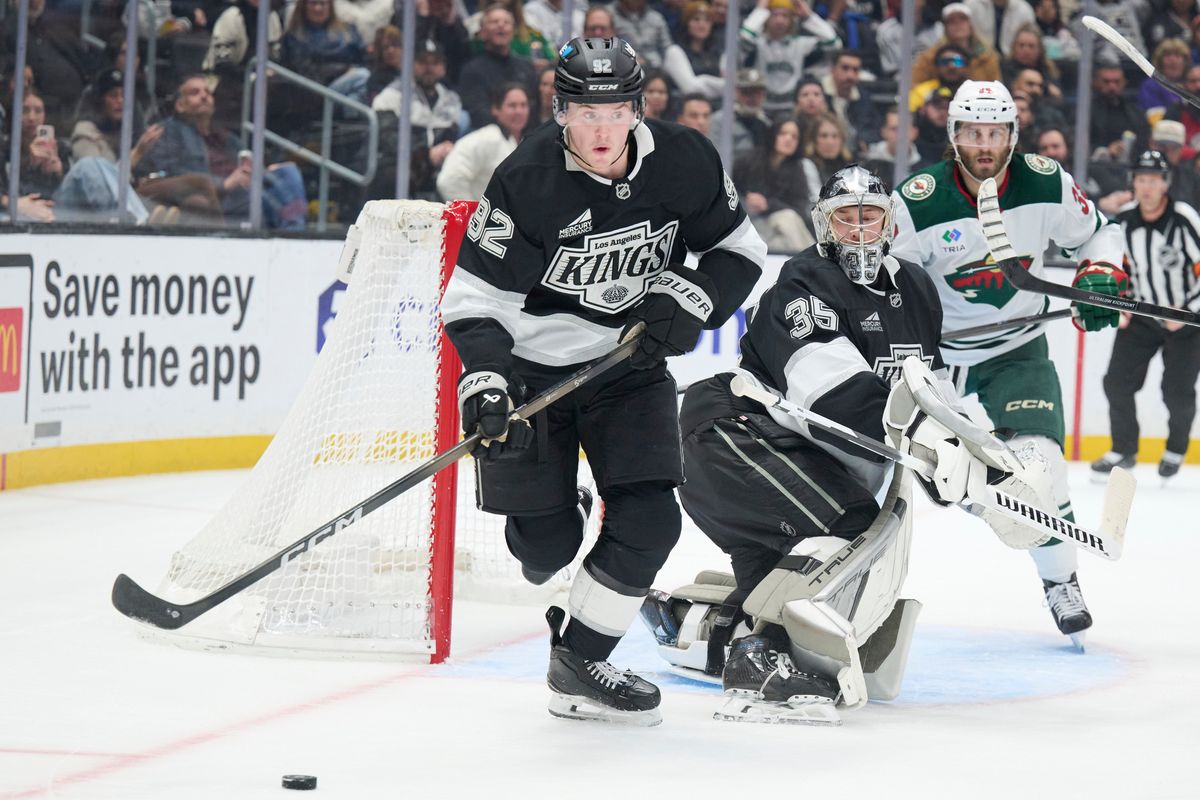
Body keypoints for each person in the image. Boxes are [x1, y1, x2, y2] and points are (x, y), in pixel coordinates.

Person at [644, 165, 1053, 723]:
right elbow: (836, 399)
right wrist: (946, 452)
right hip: (734, 436)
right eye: (846, 217)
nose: (859, 228)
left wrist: (990, 474)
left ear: (888, 223)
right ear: (824, 225)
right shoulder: (802, 281)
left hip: (795, 459)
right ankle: (758, 663)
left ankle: (710, 628)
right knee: (848, 526)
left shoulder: (915, 287)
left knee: (800, 563)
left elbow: (930, 398)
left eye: (871, 216)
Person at [439, 36, 766, 725]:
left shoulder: (684, 160)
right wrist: (489, 382)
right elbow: (476, 301)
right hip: (533, 375)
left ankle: (579, 659)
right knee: (543, 548)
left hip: (627, 368)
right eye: (585, 112)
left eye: (615, 110)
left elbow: (739, 251)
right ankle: (564, 510)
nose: (600, 129)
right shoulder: (526, 179)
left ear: (637, 109)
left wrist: (692, 299)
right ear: (559, 111)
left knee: (651, 521)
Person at [890, 80, 1127, 646]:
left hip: (1015, 351)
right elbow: (893, 286)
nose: (985, 145)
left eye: (995, 133)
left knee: (1041, 467)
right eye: (972, 133)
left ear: (1013, 135)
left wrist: (1100, 276)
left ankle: (1060, 580)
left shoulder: (1045, 182)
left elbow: (1102, 234)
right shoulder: (919, 200)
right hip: (936, 364)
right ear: (953, 136)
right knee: (962, 486)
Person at [1093, 150, 1200, 481]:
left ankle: (1175, 448)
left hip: (1188, 321)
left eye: (1154, 180)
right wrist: (1118, 301)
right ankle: (1124, 449)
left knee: (1176, 391)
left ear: (1165, 183)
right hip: (1141, 317)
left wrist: (1188, 311)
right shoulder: (1123, 219)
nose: (1147, 187)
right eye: (1141, 179)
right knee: (1116, 382)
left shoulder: (1184, 219)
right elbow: (1114, 266)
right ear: (1133, 183)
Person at [739, 0, 841, 121]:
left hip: (792, 110)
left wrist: (808, 16)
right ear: (767, 17)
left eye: (785, 16)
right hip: (762, 110)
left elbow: (833, 43)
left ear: (792, 19)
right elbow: (745, 35)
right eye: (774, 15)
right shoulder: (758, 43)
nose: (780, 20)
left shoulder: (800, 44)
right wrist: (760, 10)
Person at [733, 117, 819, 250]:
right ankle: (814, 259)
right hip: (749, 222)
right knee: (788, 220)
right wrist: (747, 202)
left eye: (794, 136)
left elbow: (800, 209)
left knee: (787, 222)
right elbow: (732, 190)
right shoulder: (748, 161)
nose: (789, 139)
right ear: (773, 135)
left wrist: (768, 204)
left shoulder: (798, 169)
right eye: (783, 133)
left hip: (782, 229)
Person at [436, 82, 528, 201]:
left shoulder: (516, 143)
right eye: (512, 105)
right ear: (496, 109)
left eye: (523, 105)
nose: (519, 111)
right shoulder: (485, 138)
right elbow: (449, 181)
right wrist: (474, 215)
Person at [457, 5, 537, 131]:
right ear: (482, 33)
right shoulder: (471, 70)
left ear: (513, 31)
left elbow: (534, 107)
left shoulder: (526, 67)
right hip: (489, 136)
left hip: (526, 136)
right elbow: (477, 112)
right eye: (494, 22)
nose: (501, 25)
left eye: (506, 22)